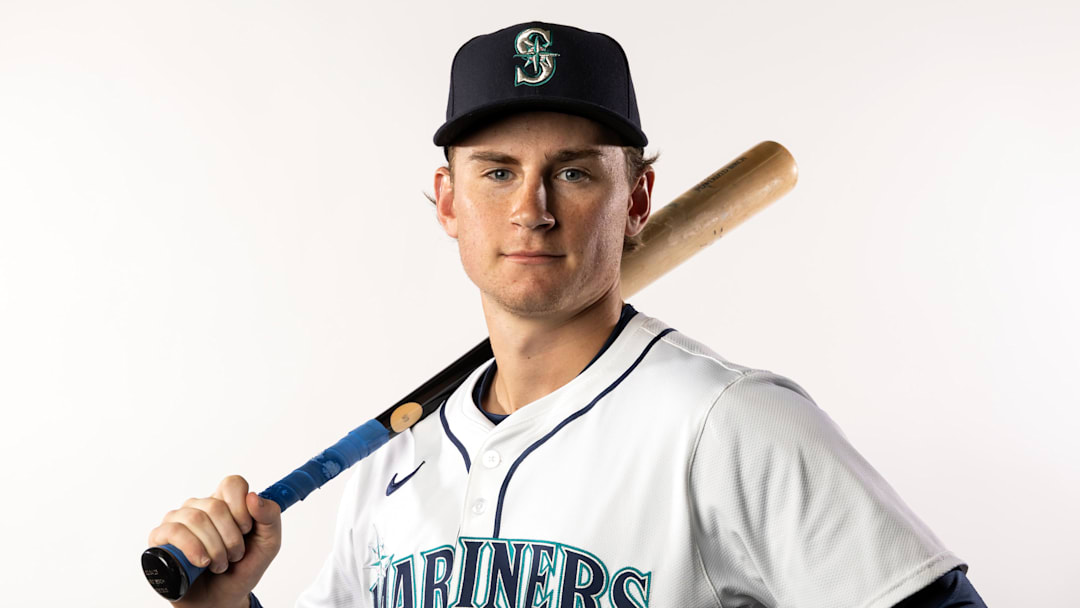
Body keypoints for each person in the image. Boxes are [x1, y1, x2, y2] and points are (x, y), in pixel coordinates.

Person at [147, 21, 988, 608]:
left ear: (638, 198)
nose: (533, 209)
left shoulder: (730, 424)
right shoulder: (398, 453)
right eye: (497, 172)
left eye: (577, 173)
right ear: (446, 200)